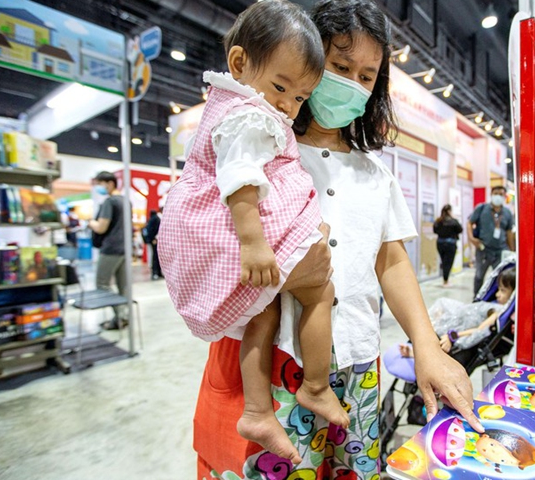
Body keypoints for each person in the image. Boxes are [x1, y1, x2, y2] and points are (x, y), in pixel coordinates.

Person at [191, 1, 482, 478]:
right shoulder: (259, 151)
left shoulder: (376, 174)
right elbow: (207, 243)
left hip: (357, 363)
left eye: (367, 76)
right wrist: (284, 273)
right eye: (340, 66)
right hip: (268, 364)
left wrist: (426, 345)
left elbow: (391, 262)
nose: (352, 83)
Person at [159, 0, 350, 463]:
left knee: (260, 313)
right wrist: (253, 241)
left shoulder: (238, 107)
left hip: (248, 237)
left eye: (301, 97)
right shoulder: (251, 115)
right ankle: (317, 386)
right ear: (240, 63)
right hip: (249, 236)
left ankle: (259, 412)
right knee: (320, 292)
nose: (288, 105)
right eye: (281, 86)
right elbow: (241, 177)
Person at [399, 267, 515, 359]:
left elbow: (480, 330)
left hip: (460, 327)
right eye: (498, 289)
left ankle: (419, 352)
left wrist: (452, 336)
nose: (497, 294)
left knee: (439, 328)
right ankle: (418, 342)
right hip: (463, 314)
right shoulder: (494, 304)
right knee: (441, 304)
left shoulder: (498, 312)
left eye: (503, 291)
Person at [89, 171, 128, 330]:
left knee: (102, 283)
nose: (99, 187)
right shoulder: (125, 201)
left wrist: (91, 222)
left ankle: (121, 315)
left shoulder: (109, 202)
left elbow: (101, 227)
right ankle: (123, 317)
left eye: (100, 184)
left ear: (110, 183)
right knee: (123, 286)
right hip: (124, 248)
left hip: (110, 249)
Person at [468, 185, 515, 296]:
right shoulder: (481, 208)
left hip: (500, 250)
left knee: (500, 276)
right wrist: (471, 238)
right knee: (479, 276)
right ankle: (476, 298)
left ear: (504, 196)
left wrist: (512, 250)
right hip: (483, 249)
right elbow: (469, 223)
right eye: (496, 193)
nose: (498, 196)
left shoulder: (507, 213)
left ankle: (496, 297)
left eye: (501, 194)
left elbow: (509, 232)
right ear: (491, 194)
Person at [433, 204, 463, 287]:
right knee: (448, 262)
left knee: (444, 261)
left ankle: (445, 279)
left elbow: (435, 230)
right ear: (449, 211)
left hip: (440, 243)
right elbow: (460, 229)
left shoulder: (438, 221)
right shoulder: (453, 221)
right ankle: (445, 281)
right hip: (450, 244)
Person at [144, 208, 162, 279]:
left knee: (154, 256)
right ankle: (156, 272)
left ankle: (156, 272)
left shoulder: (151, 219)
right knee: (155, 257)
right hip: (155, 240)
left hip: (151, 240)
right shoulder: (157, 219)